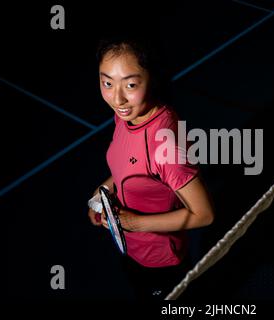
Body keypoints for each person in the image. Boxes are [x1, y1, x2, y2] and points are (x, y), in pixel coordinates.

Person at [87, 36, 215, 300]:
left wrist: (137, 223)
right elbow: (130, 164)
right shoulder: (127, 115)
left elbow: (204, 215)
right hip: (132, 248)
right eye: (107, 83)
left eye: (131, 85)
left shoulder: (165, 146)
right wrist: (103, 191)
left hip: (161, 262)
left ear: (152, 79)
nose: (117, 98)